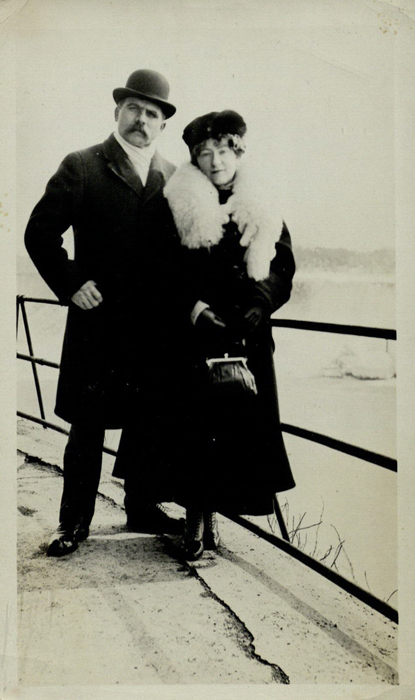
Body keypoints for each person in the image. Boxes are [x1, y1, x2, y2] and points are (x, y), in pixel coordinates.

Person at [25, 69, 184, 557]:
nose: (141, 120)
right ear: (118, 111)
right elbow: (39, 233)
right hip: (97, 323)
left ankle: (142, 507)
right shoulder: (82, 164)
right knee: (87, 425)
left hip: (152, 326)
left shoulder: (174, 177)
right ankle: (73, 522)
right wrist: (72, 283)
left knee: (148, 419)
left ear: (163, 124)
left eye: (152, 113)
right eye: (134, 108)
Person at [163, 110, 296, 560]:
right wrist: (193, 308)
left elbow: (282, 265)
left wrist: (262, 301)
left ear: (238, 152)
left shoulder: (262, 202)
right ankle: (195, 522)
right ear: (194, 159)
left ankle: (216, 517)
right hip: (196, 336)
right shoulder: (177, 203)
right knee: (196, 432)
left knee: (236, 435)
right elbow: (159, 268)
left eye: (223, 151)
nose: (215, 161)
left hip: (246, 337)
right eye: (205, 153)